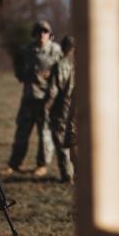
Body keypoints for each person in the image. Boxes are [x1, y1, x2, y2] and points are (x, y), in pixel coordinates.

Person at [5, 20, 62, 177]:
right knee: (21, 131)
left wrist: (54, 78)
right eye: (38, 31)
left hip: (47, 99)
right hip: (29, 97)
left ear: (50, 34)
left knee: (44, 134)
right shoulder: (27, 50)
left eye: (45, 31)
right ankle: (14, 163)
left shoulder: (56, 51)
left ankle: (42, 165)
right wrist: (21, 75)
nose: (41, 34)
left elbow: (66, 67)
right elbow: (17, 60)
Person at [44, 35, 75, 183]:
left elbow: (53, 91)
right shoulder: (84, 63)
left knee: (62, 139)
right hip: (81, 106)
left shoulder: (59, 65)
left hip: (63, 107)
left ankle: (67, 174)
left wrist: (46, 107)